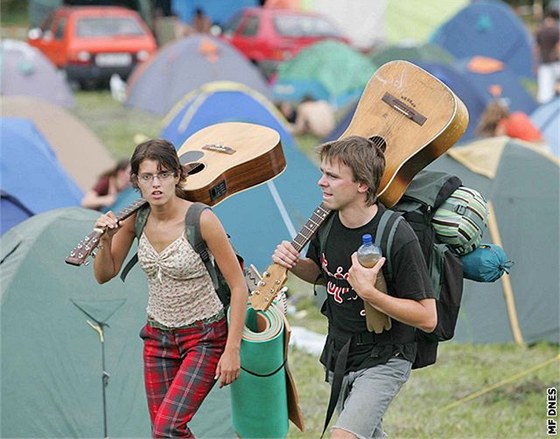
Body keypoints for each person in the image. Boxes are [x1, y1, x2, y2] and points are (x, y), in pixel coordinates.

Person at [272, 136, 437, 438]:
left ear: (362, 185)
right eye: (322, 173)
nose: (321, 182)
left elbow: (427, 317)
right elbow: (324, 274)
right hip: (341, 353)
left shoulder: (397, 235)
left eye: (332, 176)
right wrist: (296, 263)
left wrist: (370, 293)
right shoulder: (327, 222)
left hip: (386, 357)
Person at [92, 139, 248, 437]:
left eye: (163, 174)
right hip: (158, 338)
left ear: (177, 175)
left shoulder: (201, 219)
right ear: (136, 181)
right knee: (162, 433)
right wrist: (105, 240)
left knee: (168, 428)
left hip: (204, 337)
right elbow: (104, 274)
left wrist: (232, 350)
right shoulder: (136, 219)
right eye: (147, 176)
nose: (156, 184)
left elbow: (238, 287)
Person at [475, 99, 544, 143]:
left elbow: (498, 142)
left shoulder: (503, 124)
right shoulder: (519, 114)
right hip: (543, 145)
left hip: (531, 149)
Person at [534, 9, 560, 104]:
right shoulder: (556, 31)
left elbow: (536, 49)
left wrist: (536, 63)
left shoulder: (540, 31)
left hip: (544, 64)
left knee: (545, 93)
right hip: (556, 63)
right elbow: (558, 47)